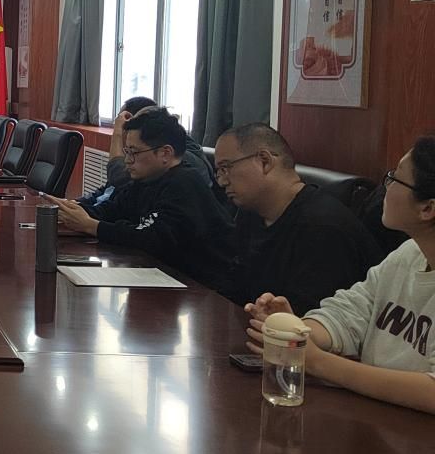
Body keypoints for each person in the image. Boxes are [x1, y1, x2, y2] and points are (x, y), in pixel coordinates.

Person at [246, 137, 435, 415]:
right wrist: (295, 331)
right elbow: (348, 312)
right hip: (372, 420)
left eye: (395, 178)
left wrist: (318, 362)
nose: (386, 187)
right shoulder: (408, 254)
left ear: (427, 208)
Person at [46, 107, 234, 287]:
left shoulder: (185, 183)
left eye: (134, 153)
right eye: (127, 152)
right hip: (162, 276)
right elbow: (112, 210)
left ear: (165, 153)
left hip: (203, 287)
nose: (127, 160)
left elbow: (151, 238)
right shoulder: (147, 179)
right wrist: (68, 212)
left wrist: (91, 226)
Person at [216, 123, 380, 313]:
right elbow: (233, 288)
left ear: (264, 161)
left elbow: (316, 319)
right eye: (218, 172)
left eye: (226, 168)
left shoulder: (323, 228)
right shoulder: (251, 212)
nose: (221, 181)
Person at [78, 96, 215, 212]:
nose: (128, 160)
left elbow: (118, 177)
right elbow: (111, 193)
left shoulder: (178, 162)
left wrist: (118, 133)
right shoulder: (145, 162)